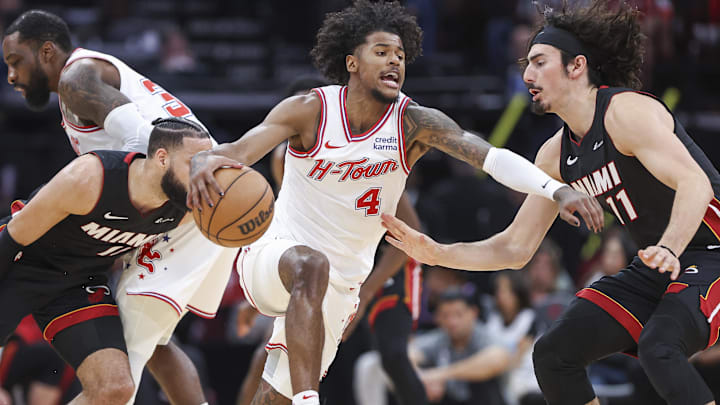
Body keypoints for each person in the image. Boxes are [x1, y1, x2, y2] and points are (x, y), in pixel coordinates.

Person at [187, 1, 603, 404]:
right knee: (310, 268)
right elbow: (238, 150)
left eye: (400, 55)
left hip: (341, 286)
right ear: (352, 62)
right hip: (273, 258)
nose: (394, 62)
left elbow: (489, 156)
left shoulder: (412, 123)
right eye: (381, 52)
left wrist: (556, 189)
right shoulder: (310, 109)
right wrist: (205, 159)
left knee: (273, 396)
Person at [381, 1, 720, 404]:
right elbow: (515, 247)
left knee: (659, 348)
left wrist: (669, 247)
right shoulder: (555, 154)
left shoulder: (626, 111)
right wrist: (438, 253)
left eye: (540, 62)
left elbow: (695, 184)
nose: (527, 74)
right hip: (658, 263)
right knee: (554, 354)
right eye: (527, 64)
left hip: (709, 252)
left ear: (577, 66)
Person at [2, 10, 236, 404]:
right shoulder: (100, 149)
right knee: (153, 341)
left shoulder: (78, 79)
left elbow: (146, 141)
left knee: (128, 366)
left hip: (181, 207)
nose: (11, 76)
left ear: (45, 52)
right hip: (44, 254)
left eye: (15, 62)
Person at [0, 118, 211, 405]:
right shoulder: (90, 178)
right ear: (162, 158)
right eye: (193, 163)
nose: (202, 173)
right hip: (20, 263)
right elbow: (13, 237)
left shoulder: (184, 206)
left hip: (78, 282)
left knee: (115, 388)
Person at [409, 289, 511, 405]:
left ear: (473, 313)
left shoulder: (484, 335)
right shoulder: (440, 338)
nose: (452, 322)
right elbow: (408, 354)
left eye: (458, 314)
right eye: (445, 315)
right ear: (437, 318)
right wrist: (422, 379)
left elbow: (498, 358)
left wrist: (439, 375)